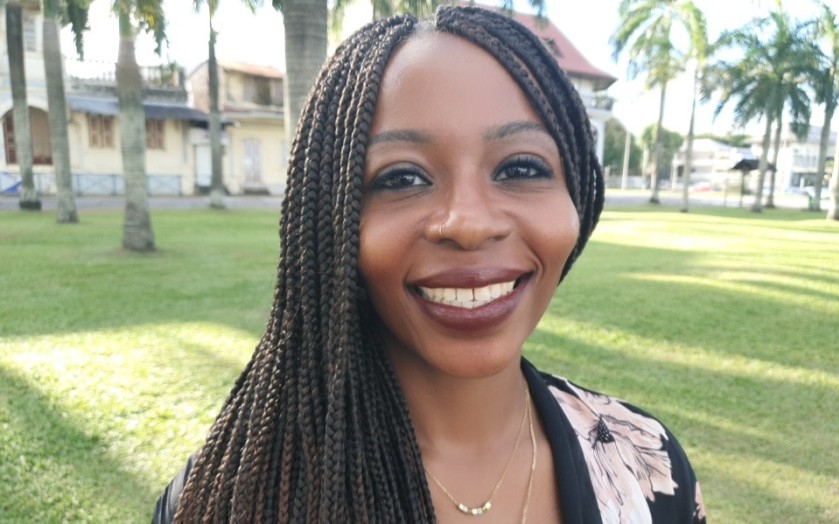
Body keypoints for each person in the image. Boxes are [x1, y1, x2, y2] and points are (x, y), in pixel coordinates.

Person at [154, 6, 706, 523]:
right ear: (330, 222)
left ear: (576, 198)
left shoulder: (650, 468)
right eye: (403, 177)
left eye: (520, 168)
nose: (468, 224)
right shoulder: (229, 498)